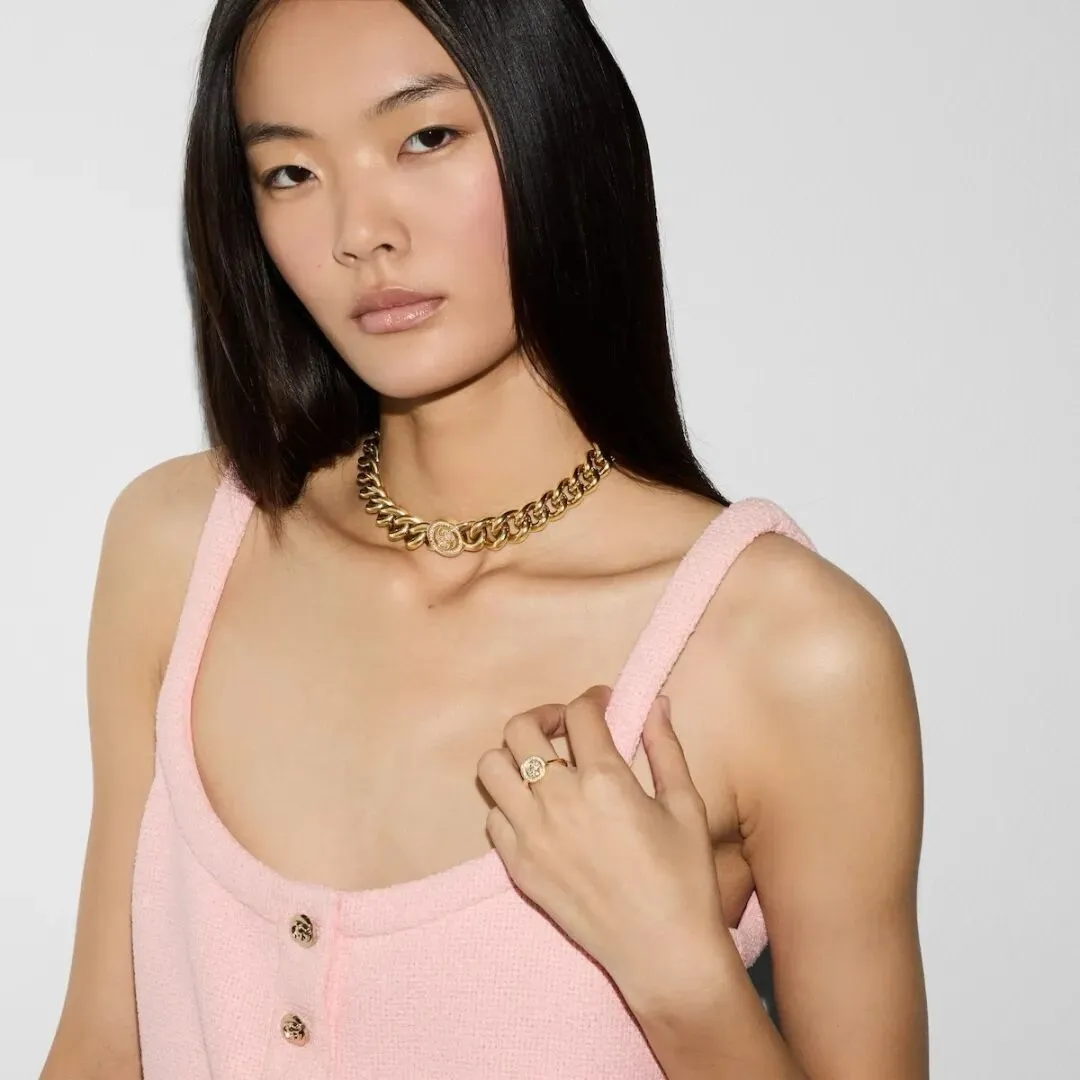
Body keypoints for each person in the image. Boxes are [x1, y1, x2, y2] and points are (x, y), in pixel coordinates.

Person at [40, 1, 929, 1077]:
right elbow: (100, 1048)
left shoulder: (789, 650)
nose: (359, 231)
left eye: (425, 138)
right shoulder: (182, 548)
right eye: (290, 173)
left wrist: (682, 976)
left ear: (558, 134)